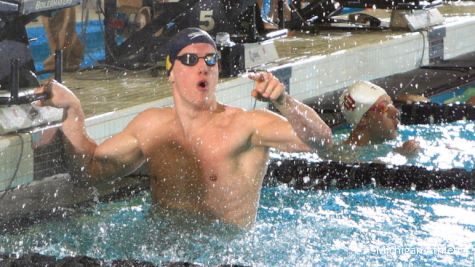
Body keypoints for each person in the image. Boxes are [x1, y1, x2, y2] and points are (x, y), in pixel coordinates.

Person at [35, 27, 332, 229]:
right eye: (189, 60)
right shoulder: (151, 126)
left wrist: (284, 101)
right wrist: (73, 110)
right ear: (171, 73)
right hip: (163, 252)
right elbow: (89, 173)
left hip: (227, 253)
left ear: (216, 71)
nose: (202, 66)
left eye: (210, 59)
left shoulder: (248, 127)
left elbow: (322, 142)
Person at [339, 80, 420, 156]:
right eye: (384, 107)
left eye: (391, 104)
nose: (396, 112)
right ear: (363, 119)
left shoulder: (378, 150)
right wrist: (400, 155)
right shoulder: (345, 157)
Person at [41, 7, 84, 72]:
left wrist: (63, 29)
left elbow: (68, 12)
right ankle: (60, 57)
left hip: (65, 19)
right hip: (55, 17)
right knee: (49, 64)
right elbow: (45, 19)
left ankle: (64, 57)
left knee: (67, 34)